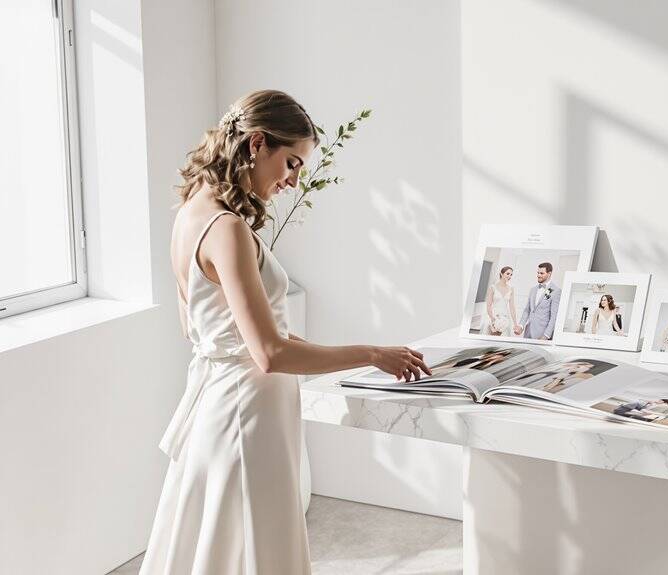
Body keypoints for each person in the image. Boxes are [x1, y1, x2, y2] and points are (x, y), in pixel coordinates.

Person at [140, 90, 431, 575]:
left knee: (220, 546)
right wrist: (372, 353)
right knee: (254, 547)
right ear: (257, 144)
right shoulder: (227, 228)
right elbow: (269, 353)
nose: (294, 181)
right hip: (245, 413)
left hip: (222, 403)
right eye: (291, 163)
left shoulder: (192, 212)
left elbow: (207, 332)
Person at [517, 262, 561, 340]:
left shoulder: (555, 291)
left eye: (542, 273)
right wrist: (521, 326)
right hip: (528, 333)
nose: (538, 275)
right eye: (538, 273)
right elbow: (527, 310)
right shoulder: (533, 290)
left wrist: (546, 335)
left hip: (542, 336)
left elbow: (554, 316)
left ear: (549, 274)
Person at [485, 266, 517, 336]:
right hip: (493, 315)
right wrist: (492, 319)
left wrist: (515, 323)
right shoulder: (492, 287)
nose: (509, 276)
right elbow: (488, 306)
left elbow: (512, 307)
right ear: (501, 274)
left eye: (511, 275)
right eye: (508, 274)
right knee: (491, 336)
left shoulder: (511, 289)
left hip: (505, 317)